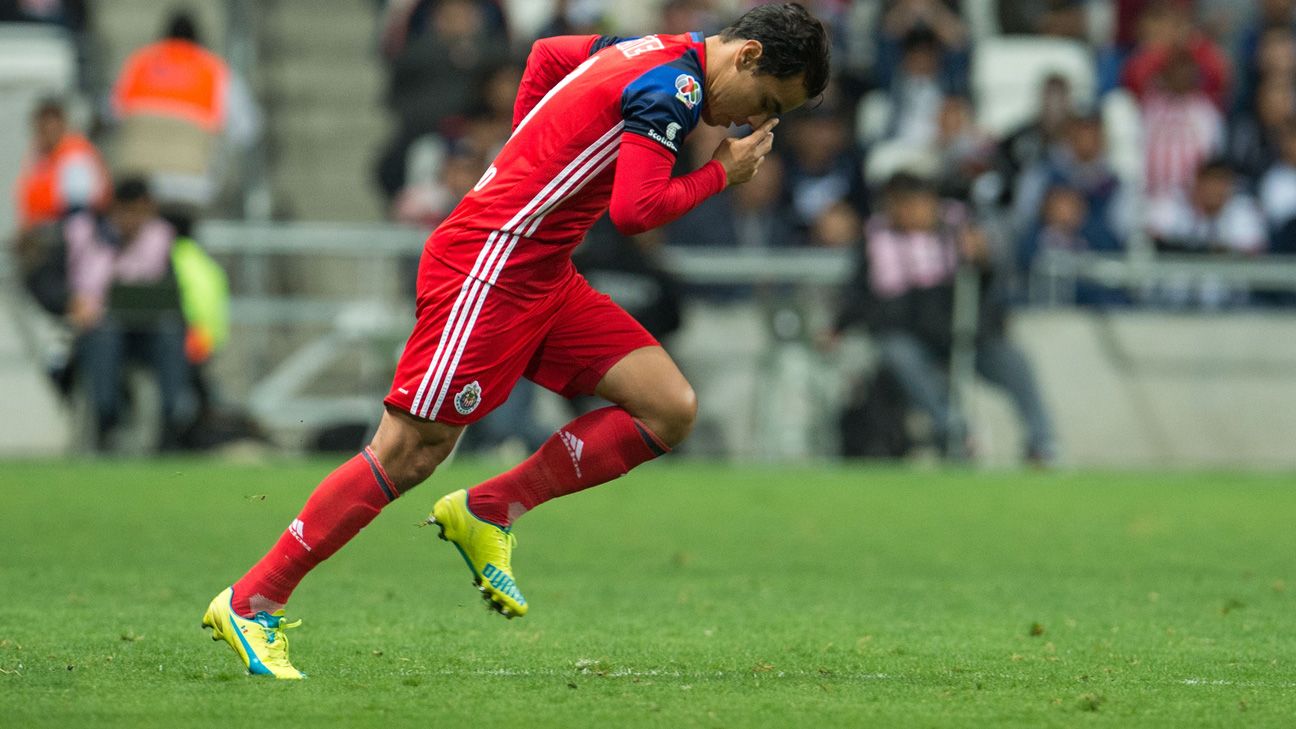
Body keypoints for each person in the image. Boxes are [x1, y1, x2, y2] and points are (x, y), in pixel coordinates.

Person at [202, 3, 831, 679]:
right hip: (490, 265)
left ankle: (491, 508)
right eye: (765, 102)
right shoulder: (673, 87)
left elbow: (547, 55)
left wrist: (528, 153)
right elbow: (635, 210)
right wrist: (720, 175)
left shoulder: (648, 46)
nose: (747, 121)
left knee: (667, 406)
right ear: (748, 55)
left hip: (543, 272)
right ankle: (252, 599)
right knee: (411, 449)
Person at [828, 172, 1057, 462]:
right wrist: (838, 326)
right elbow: (859, 293)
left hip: (965, 331)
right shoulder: (876, 241)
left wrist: (983, 258)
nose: (914, 213)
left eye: (920, 204)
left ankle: (1041, 442)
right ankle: (953, 432)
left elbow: (990, 281)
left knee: (1013, 363)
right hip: (910, 335)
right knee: (898, 355)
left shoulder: (958, 232)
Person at [63, 178, 190, 451]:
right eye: (130, 212)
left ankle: (172, 422)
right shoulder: (84, 232)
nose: (136, 221)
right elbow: (52, 280)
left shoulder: (160, 237)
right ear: (116, 208)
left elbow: (171, 294)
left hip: (144, 332)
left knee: (171, 331)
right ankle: (106, 420)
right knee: (105, 335)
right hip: (96, 330)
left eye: (143, 213)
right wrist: (70, 302)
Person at [109, 11, 262, 232]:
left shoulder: (140, 63)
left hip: (137, 183)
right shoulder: (213, 69)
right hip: (191, 186)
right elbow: (247, 128)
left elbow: (111, 113)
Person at [14, 97, 109, 232]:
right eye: (42, 130)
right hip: (42, 229)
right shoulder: (38, 157)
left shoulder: (75, 156)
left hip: (71, 230)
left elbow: (79, 209)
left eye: (51, 129)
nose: (46, 135)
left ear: (62, 126)